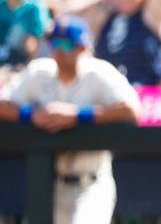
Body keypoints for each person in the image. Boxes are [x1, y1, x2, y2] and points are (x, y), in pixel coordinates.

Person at [0, 15, 140, 224]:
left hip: (90, 183)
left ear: (82, 47)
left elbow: (132, 109)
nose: (57, 49)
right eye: (53, 42)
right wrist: (31, 114)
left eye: (64, 43)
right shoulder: (40, 71)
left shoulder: (99, 73)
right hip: (50, 183)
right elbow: (3, 104)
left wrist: (78, 115)